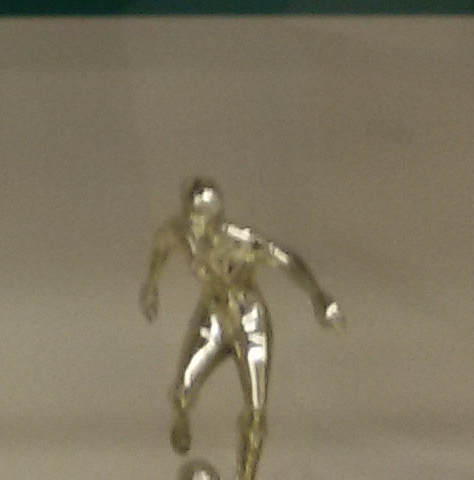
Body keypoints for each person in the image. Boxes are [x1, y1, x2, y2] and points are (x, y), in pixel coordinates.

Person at [141, 178, 342, 480]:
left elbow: (284, 259)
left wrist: (318, 297)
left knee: (256, 411)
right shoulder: (181, 233)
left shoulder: (241, 242)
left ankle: (246, 475)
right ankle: (181, 418)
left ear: (215, 220)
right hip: (212, 317)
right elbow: (161, 246)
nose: (194, 226)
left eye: (200, 220)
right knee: (181, 391)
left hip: (250, 323)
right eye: (190, 218)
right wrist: (151, 285)